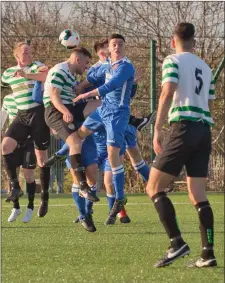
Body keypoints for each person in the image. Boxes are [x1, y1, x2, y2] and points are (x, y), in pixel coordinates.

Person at [145, 23, 216, 268]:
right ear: (194, 42)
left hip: (183, 127)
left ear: (172, 40)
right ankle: (208, 253)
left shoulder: (172, 60)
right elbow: (208, 102)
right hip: (203, 129)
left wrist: (157, 128)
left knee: (153, 187)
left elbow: (167, 92)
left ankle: (177, 243)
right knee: (198, 195)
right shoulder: (206, 68)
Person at [73, 34, 136, 221]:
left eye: (120, 44)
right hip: (104, 110)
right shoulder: (108, 64)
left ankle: (120, 198)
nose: (117, 47)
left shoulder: (126, 66)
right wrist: (99, 66)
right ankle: (60, 154)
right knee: (79, 134)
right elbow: (92, 76)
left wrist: (86, 95)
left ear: (124, 47)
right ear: (109, 48)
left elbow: (112, 85)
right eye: (114, 44)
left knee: (113, 155)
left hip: (118, 113)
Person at [43, 47, 100, 203]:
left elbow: (75, 91)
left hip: (71, 107)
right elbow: (54, 95)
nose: (86, 67)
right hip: (56, 110)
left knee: (103, 104)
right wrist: (64, 111)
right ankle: (82, 186)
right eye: (86, 63)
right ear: (77, 60)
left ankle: (133, 121)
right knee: (75, 141)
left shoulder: (71, 74)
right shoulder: (60, 70)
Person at [1, 42, 50, 218]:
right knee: (5, 146)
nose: (28, 53)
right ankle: (15, 186)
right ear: (16, 55)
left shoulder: (36, 65)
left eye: (30, 51)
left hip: (37, 112)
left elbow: (46, 74)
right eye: (25, 51)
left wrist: (27, 73)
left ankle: (44, 198)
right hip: (21, 114)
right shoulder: (8, 73)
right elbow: (3, 81)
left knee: (42, 159)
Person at [1, 94, 36, 223]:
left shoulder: (31, 97)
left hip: (29, 142)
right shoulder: (7, 99)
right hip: (13, 142)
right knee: (12, 177)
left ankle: (30, 206)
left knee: (29, 175)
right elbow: (2, 119)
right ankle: (16, 207)